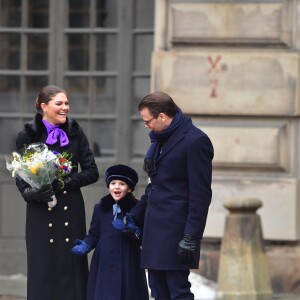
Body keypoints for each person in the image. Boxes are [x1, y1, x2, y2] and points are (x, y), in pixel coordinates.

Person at [15, 85, 99, 300]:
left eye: (67, 103)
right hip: (40, 214)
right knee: (43, 268)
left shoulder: (75, 132)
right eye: (59, 103)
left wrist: (64, 182)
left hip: (70, 211)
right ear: (44, 106)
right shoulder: (27, 135)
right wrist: (30, 193)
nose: (65, 108)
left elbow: (92, 172)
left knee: (72, 269)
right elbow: (20, 175)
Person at [130, 91, 214, 300]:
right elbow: (156, 185)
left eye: (148, 121)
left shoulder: (195, 141)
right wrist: (134, 216)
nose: (146, 126)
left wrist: (191, 236)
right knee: (158, 290)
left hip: (177, 231)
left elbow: (201, 194)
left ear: (162, 116)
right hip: (155, 228)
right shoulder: (159, 139)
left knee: (178, 291)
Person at [71, 164, 149, 300]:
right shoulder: (100, 208)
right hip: (104, 261)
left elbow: (142, 238)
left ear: (129, 188)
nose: (116, 187)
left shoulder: (137, 209)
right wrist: (85, 245)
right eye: (113, 183)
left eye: (122, 184)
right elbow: (94, 234)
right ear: (108, 186)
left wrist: (130, 229)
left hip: (128, 261)